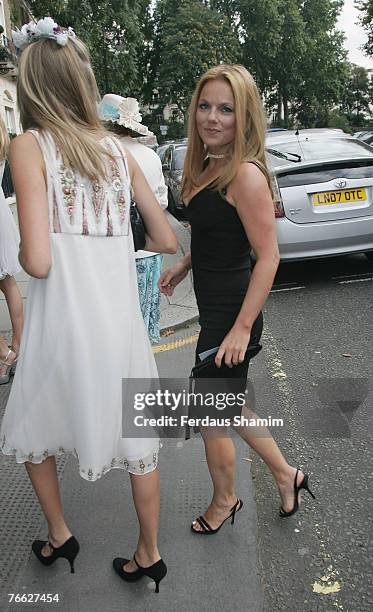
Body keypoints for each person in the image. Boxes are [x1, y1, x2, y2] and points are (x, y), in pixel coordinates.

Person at [1, 18, 177, 593]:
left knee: (33, 428)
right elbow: (165, 238)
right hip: (118, 325)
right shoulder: (117, 151)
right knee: (138, 437)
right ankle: (148, 552)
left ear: (32, 87)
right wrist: (109, 252)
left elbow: (39, 262)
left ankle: (59, 534)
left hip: (61, 324)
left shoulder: (29, 146)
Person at [159, 64, 315, 534]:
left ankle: (224, 501)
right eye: (205, 106)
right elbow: (216, 233)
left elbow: (268, 257)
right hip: (217, 310)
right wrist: (186, 265)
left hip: (232, 317)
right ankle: (289, 475)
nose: (212, 117)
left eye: (226, 109)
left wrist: (242, 329)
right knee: (228, 407)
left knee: (211, 415)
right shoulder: (209, 165)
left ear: (243, 116)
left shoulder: (245, 174)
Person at [98, 94, 168, 343]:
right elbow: (162, 203)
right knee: (142, 327)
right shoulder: (149, 156)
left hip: (111, 252)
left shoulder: (101, 156)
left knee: (114, 331)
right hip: (148, 249)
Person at [0, 116, 24, 384]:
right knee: (9, 284)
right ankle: (18, 348)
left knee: (8, 284)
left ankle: (6, 352)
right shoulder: (3, 142)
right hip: (1, 217)